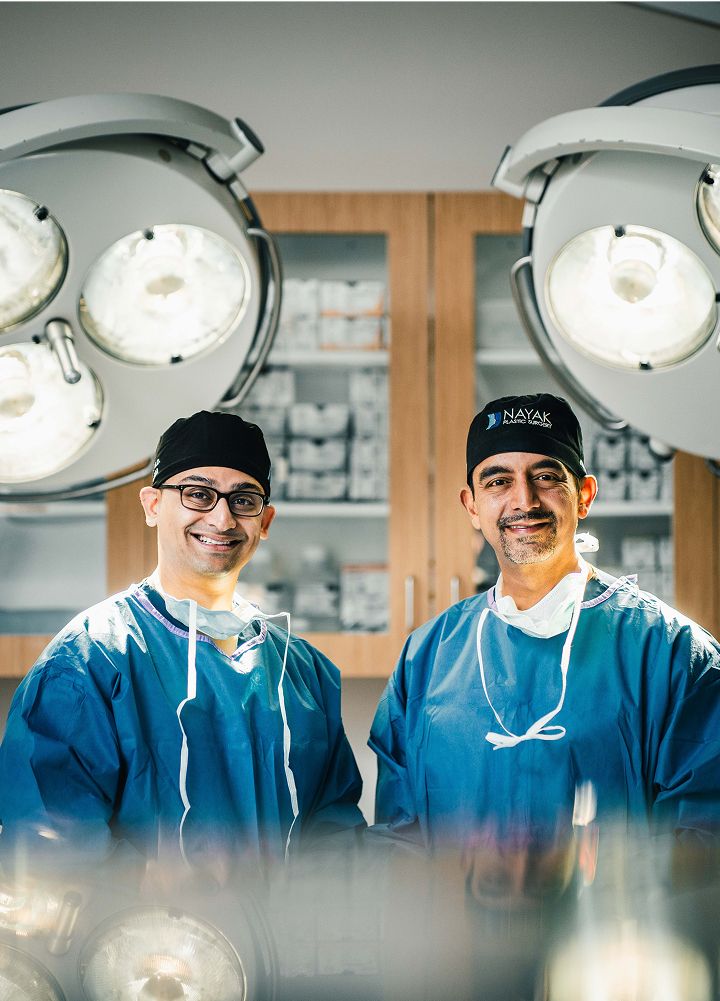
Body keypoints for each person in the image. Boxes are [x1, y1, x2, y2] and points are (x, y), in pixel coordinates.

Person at [0, 411, 364, 875]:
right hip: (145, 923)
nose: (222, 518)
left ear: (265, 520)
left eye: (244, 500)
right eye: (198, 494)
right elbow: (47, 846)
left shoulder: (302, 669)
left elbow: (337, 835)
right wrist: (146, 890)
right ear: (153, 505)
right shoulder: (89, 662)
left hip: (292, 924)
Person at [369, 393, 720, 861]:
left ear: (585, 495)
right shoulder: (426, 659)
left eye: (546, 477)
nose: (524, 500)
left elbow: (704, 845)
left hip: (611, 911)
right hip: (457, 913)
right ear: (472, 506)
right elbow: (398, 845)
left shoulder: (672, 653)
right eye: (498, 481)